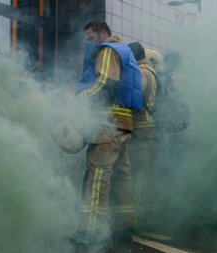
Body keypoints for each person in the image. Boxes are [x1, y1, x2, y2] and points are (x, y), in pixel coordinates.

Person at [74, 20, 142, 250]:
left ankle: (89, 233)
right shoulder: (127, 53)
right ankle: (124, 228)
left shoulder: (108, 50)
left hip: (108, 124)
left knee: (97, 177)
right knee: (123, 179)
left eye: (92, 37)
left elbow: (103, 83)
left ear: (104, 33)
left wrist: (77, 99)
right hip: (124, 124)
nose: (90, 43)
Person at [127, 42, 159, 232]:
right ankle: (144, 215)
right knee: (145, 174)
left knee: (138, 174)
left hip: (142, 130)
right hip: (151, 130)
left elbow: (136, 97)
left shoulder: (142, 73)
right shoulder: (153, 72)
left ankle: (136, 217)